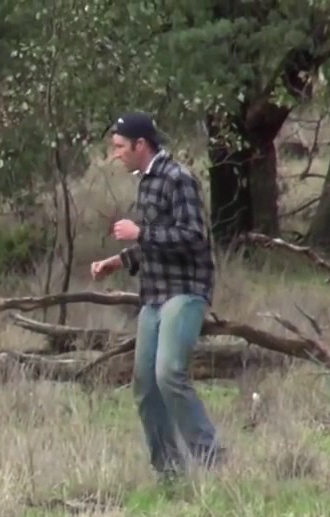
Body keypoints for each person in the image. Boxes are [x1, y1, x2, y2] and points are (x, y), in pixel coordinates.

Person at [90, 111, 225, 476]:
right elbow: (156, 240)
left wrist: (140, 234)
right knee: (145, 385)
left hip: (185, 290)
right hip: (154, 293)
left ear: (141, 145)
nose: (116, 155)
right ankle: (169, 471)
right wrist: (118, 262)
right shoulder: (147, 181)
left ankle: (212, 460)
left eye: (120, 147)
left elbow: (193, 237)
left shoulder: (178, 179)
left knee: (170, 374)